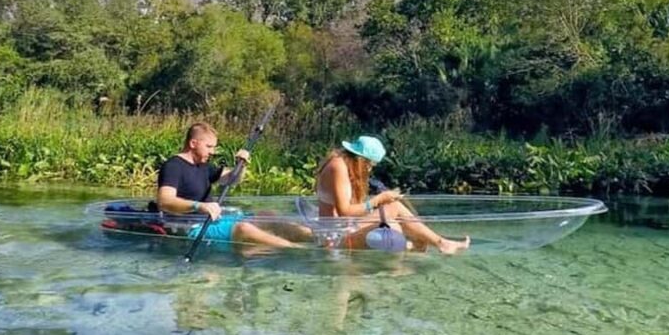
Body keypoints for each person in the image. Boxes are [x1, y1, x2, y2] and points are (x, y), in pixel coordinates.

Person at [315, 135, 470, 254]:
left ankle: (432, 242)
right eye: (369, 165)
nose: (369, 170)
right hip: (334, 237)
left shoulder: (342, 163)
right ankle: (436, 243)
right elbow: (344, 212)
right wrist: (377, 201)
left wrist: (381, 203)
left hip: (342, 229)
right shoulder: (338, 167)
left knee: (394, 214)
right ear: (361, 160)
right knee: (392, 215)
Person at [157, 122, 301, 249]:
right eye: (208, 147)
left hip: (213, 219)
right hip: (191, 227)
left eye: (213, 147)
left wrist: (241, 164)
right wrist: (199, 206)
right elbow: (165, 201)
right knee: (244, 229)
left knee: (268, 215)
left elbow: (232, 179)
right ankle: (298, 251)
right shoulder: (173, 166)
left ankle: (315, 237)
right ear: (193, 143)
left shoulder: (203, 165)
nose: (212, 152)